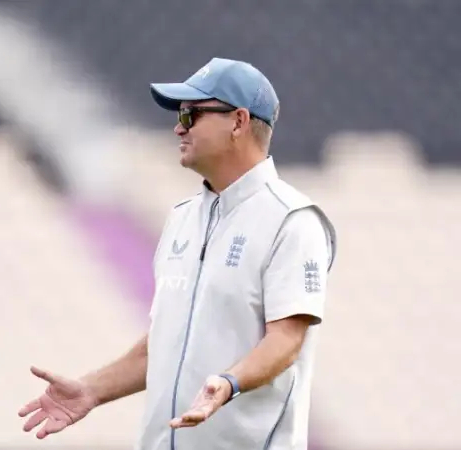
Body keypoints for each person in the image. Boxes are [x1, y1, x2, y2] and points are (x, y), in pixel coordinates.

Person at [18, 57, 336, 450]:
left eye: (190, 115)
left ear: (238, 121)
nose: (177, 127)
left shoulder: (293, 220)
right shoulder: (182, 218)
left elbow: (287, 339)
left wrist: (229, 383)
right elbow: (166, 342)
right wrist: (90, 390)